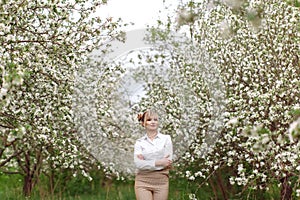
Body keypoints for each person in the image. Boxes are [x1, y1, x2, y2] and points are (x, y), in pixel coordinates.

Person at [134, 110, 173, 200]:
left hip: (161, 181)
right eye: (149, 120)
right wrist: (159, 161)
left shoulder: (166, 139)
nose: (152, 122)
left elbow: (167, 162)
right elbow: (138, 164)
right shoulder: (139, 142)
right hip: (142, 181)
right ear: (143, 123)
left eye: (155, 119)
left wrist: (146, 161)